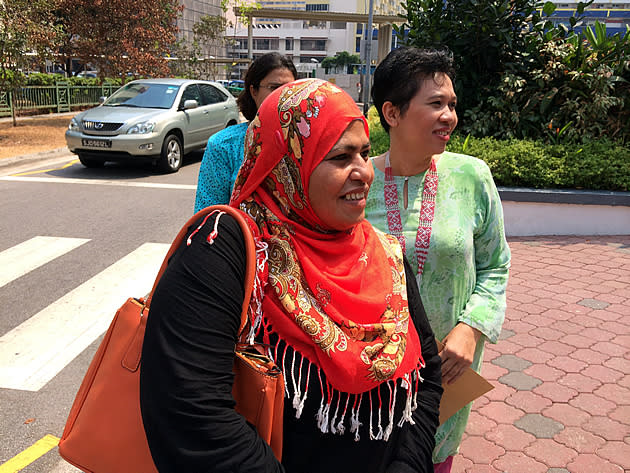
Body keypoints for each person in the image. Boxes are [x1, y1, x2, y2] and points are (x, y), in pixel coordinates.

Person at [140, 78, 443, 472]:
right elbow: (188, 407)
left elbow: (427, 375)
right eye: (340, 157)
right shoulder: (224, 247)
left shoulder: (384, 254)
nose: (364, 173)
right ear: (287, 164)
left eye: (365, 154)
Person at [364, 47, 511, 472]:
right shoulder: (359, 182)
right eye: (435, 104)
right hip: (371, 372)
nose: (449, 116)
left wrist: (472, 328)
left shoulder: (472, 177)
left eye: (452, 105)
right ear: (392, 113)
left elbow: (496, 264)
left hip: (448, 371)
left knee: (434, 460)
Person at [194, 53, 297, 212]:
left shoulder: (306, 142)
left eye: (290, 90)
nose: (283, 96)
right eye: (274, 88)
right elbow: (208, 214)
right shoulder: (224, 146)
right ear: (253, 91)